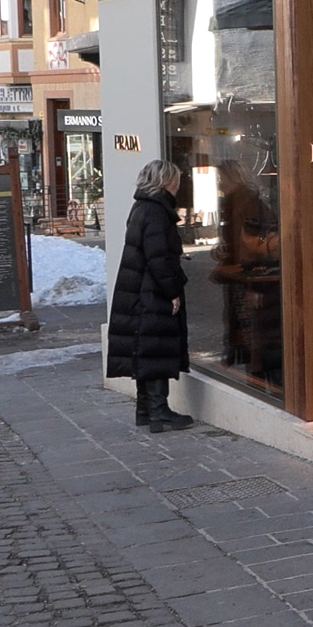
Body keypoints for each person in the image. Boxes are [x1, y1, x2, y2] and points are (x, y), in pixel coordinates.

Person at [107, 159, 196, 433]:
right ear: (167, 181)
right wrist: (172, 292)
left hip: (138, 291)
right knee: (157, 349)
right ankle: (159, 412)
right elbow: (158, 257)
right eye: (176, 179)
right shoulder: (157, 211)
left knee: (145, 349)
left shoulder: (142, 207)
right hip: (151, 292)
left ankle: (145, 410)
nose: (179, 184)